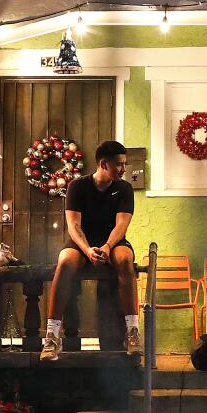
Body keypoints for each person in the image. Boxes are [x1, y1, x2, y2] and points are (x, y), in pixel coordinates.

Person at [41, 140, 141, 359]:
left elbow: (121, 226)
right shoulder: (77, 186)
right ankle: (51, 337)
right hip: (82, 242)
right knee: (65, 261)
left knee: (125, 260)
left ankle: (133, 333)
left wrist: (106, 246)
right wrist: (87, 250)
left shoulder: (124, 188)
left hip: (112, 242)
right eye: (119, 164)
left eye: (124, 164)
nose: (123, 169)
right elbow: (74, 226)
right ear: (104, 164)